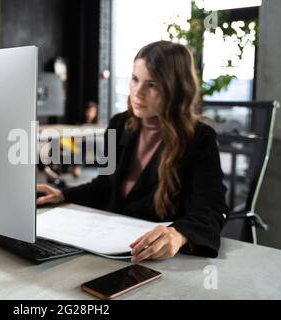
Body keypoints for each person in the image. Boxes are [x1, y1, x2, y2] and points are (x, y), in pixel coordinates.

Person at [36, 40, 228, 263]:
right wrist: (63, 194)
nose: (138, 92)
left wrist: (179, 234)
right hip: (105, 248)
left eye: (152, 85)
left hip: (155, 259)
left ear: (175, 89)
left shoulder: (199, 137)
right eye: (135, 79)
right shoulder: (120, 123)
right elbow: (105, 185)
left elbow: (212, 209)